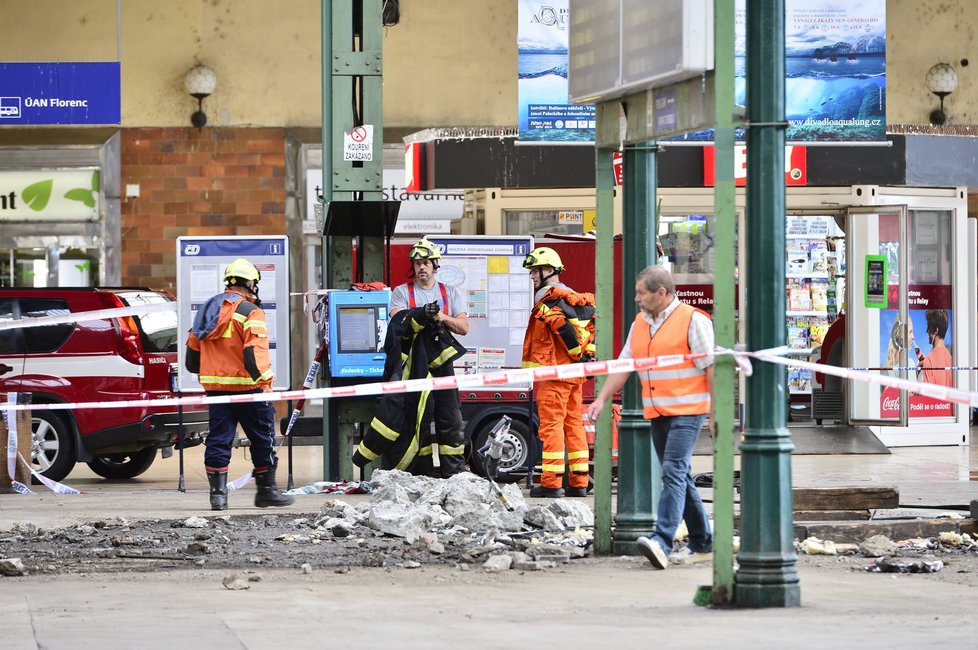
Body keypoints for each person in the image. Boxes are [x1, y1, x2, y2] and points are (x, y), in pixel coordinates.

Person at [586, 265, 714, 569]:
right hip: (657, 411)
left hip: (688, 410)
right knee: (679, 475)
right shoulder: (641, 323)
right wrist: (601, 398)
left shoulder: (693, 320)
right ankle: (703, 543)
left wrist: (718, 412)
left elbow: (711, 366)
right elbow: (625, 364)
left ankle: (662, 540)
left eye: (641, 293)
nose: (636, 298)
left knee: (672, 471)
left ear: (661, 293)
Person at [185, 258, 294, 511]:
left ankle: (218, 496)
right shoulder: (250, 312)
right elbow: (254, 356)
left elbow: (192, 361)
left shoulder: (207, 311)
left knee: (218, 440)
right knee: (262, 440)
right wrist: (265, 385)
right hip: (249, 389)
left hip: (216, 391)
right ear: (250, 283)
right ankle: (266, 492)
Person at [387, 237, 470, 477]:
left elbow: (464, 327)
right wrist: (421, 314)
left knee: (450, 420)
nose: (421, 267)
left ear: (435, 264)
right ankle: (419, 474)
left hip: (443, 366)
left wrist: (442, 317)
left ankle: (453, 475)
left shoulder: (449, 292)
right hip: (414, 367)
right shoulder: (401, 292)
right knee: (415, 421)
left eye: (425, 262)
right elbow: (396, 321)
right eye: (417, 263)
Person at [521, 247, 596, 498]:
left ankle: (552, 483)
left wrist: (575, 354)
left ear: (550, 271)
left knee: (551, 426)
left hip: (555, 373)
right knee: (573, 424)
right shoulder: (575, 297)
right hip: (574, 374)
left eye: (535, 271)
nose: (532, 276)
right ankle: (579, 481)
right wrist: (586, 356)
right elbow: (593, 327)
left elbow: (560, 327)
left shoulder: (548, 298)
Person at [919, 309, 952, 387]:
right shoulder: (951, 358)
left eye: (928, 327)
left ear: (936, 331)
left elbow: (927, 397)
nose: (927, 331)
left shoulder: (929, 360)